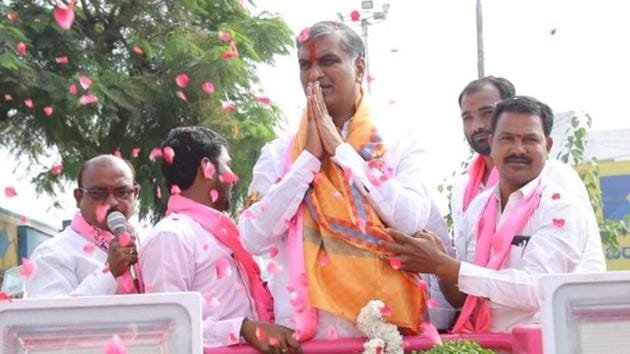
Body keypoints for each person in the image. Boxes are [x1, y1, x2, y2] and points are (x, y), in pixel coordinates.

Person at [239, 20, 440, 339]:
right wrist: (306, 162)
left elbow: (409, 218)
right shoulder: (280, 153)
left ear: (359, 68)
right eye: (305, 64)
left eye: (328, 61)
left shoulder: (400, 141)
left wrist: (342, 153)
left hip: (384, 331)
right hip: (307, 334)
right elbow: (252, 237)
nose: (315, 74)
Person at [380, 96, 607, 333]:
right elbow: (465, 298)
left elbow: (536, 290)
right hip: (483, 343)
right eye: (507, 138)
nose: (518, 149)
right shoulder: (479, 207)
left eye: (530, 139)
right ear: (492, 143)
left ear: (548, 146)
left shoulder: (562, 208)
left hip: (545, 345)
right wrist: (438, 266)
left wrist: (446, 265)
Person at [139, 127, 301, 352]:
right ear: (207, 168)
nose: (234, 178)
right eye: (227, 165)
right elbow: (166, 330)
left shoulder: (222, 235)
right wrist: (243, 329)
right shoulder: (171, 236)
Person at [452, 76, 605, 273]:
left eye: (487, 113)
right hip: (481, 301)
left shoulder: (555, 176)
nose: (477, 126)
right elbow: (464, 263)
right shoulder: (464, 188)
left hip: (553, 300)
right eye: (468, 117)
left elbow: (588, 257)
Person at [25, 155, 140, 297]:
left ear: (135, 194)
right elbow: (49, 317)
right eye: (98, 193)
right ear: (79, 197)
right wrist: (109, 273)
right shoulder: (51, 254)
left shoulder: (144, 243)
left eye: (122, 192)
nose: (112, 202)